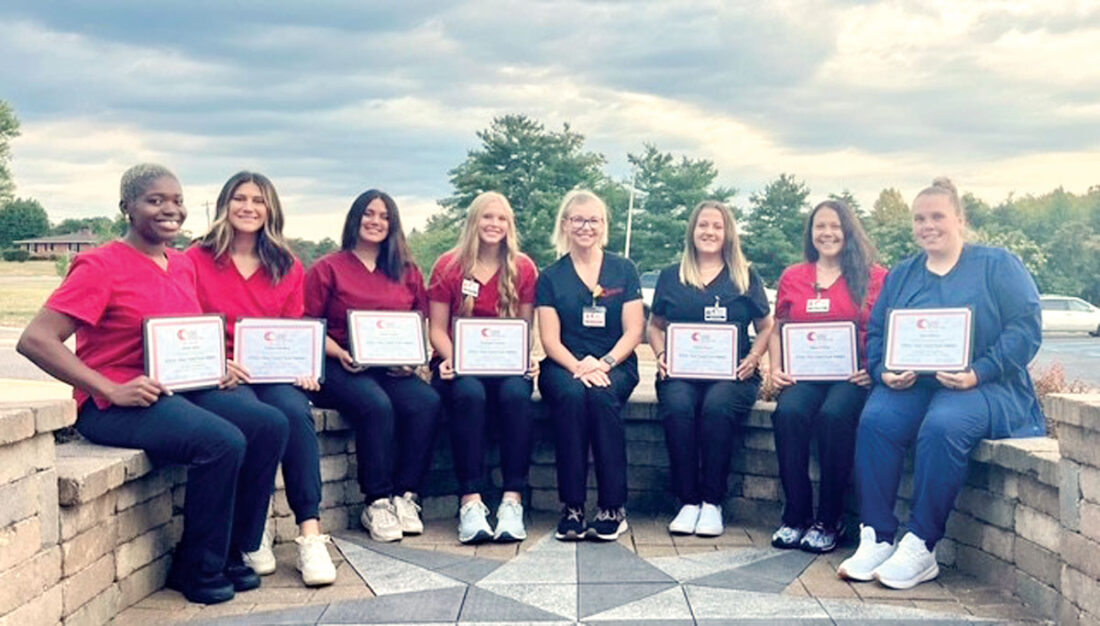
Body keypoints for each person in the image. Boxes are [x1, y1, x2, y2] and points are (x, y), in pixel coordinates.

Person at [16, 164, 288, 604]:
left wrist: (216, 363)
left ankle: (233, 552)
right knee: (221, 441)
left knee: (269, 424)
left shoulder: (180, 264)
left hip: (177, 388)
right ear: (127, 207)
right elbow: (36, 340)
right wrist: (107, 388)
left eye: (176, 200)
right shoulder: (100, 265)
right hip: (116, 403)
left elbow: (183, 334)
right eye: (155, 200)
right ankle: (196, 567)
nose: (170, 209)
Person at [838, 178, 1044, 589]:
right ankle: (877, 536)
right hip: (915, 385)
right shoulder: (903, 274)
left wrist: (979, 371)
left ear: (960, 220)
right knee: (876, 420)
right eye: (919, 219)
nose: (928, 226)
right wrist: (883, 371)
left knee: (943, 426)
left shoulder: (997, 265)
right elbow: (878, 331)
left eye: (937, 216)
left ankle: (921, 543)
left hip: (987, 384)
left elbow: (1025, 328)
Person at [186, 171, 336, 586]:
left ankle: (310, 533)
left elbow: (293, 327)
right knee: (259, 419)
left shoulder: (287, 265)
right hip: (221, 374)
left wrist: (303, 366)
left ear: (271, 209)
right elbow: (184, 323)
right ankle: (255, 530)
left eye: (258, 200)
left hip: (271, 372)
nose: (248, 207)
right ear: (225, 204)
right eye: (240, 198)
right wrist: (216, 361)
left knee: (295, 412)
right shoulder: (195, 259)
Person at [305, 189, 441, 543]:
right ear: (355, 217)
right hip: (339, 363)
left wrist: (411, 361)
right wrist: (339, 353)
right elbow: (309, 326)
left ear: (393, 224)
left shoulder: (407, 271)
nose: (376, 221)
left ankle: (406, 495)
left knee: (426, 402)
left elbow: (418, 322)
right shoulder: (327, 268)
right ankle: (377, 501)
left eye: (384, 216)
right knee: (375, 404)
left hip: (390, 367)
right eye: (369, 213)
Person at [647, 200, 773, 538]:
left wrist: (754, 357)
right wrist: (661, 354)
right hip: (681, 372)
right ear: (692, 230)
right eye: (703, 225)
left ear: (728, 232)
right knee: (678, 406)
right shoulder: (671, 276)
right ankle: (688, 501)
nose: (709, 232)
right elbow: (654, 325)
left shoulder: (744, 276)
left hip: (734, 375)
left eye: (717, 226)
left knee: (717, 407)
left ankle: (712, 502)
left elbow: (766, 326)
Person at [766, 200, 886, 553]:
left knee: (834, 416)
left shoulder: (875, 277)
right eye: (820, 226)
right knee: (788, 413)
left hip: (851, 377)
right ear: (811, 233)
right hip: (804, 375)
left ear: (849, 231)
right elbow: (778, 328)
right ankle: (796, 515)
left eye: (835, 226)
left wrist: (874, 368)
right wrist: (776, 368)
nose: (827, 233)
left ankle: (830, 520)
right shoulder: (793, 276)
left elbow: (888, 327)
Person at [428, 192, 539, 544]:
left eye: (501, 218)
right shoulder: (448, 265)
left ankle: (512, 500)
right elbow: (436, 329)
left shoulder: (524, 267)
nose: (494, 224)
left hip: (505, 366)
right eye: (487, 217)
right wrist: (454, 359)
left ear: (510, 225)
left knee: (516, 395)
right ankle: (471, 501)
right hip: (456, 364)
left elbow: (525, 329)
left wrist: (525, 358)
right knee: (469, 394)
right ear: (473, 221)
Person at [536, 189, 645, 541]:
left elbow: (634, 330)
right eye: (578, 220)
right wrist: (579, 367)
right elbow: (550, 340)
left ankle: (613, 507)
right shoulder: (550, 277)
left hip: (616, 362)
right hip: (563, 364)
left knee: (601, 397)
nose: (586, 227)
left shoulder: (624, 270)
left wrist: (605, 363)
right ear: (565, 225)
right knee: (571, 397)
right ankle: (572, 507)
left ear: (604, 225)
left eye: (594, 220)